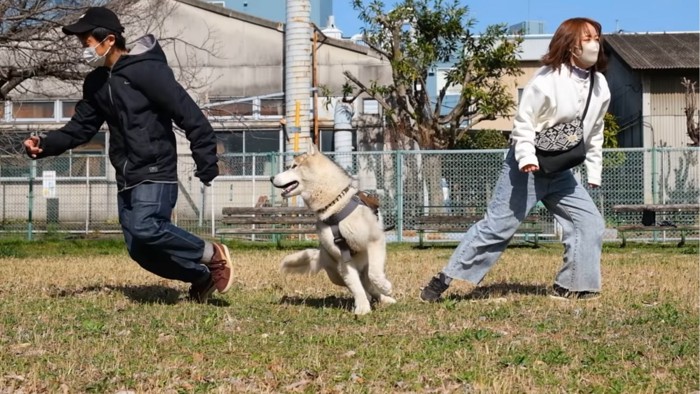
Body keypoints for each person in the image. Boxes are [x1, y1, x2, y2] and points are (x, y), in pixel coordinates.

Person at [23, 7, 233, 303]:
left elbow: (189, 115)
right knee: (140, 250)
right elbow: (81, 128)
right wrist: (45, 143)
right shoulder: (96, 83)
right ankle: (201, 277)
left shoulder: (147, 71)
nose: (83, 49)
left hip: (155, 167)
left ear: (109, 40)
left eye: (86, 42)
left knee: (147, 227)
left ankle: (212, 254)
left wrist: (206, 159)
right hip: (126, 173)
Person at [420, 17, 611, 302]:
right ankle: (445, 278)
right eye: (587, 38)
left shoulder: (600, 85)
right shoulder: (547, 80)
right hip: (526, 167)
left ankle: (572, 286)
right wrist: (526, 158)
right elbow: (524, 123)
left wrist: (594, 171)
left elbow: (595, 130)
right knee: (497, 227)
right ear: (570, 45)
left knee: (590, 223)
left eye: (597, 37)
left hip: (559, 170)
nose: (594, 43)